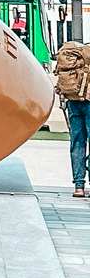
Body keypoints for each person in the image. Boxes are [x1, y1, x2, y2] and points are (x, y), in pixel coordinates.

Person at [53, 40, 90, 197]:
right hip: (88, 102)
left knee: (77, 142)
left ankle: (79, 186)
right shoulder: (86, 56)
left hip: (72, 101)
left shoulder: (72, 56)